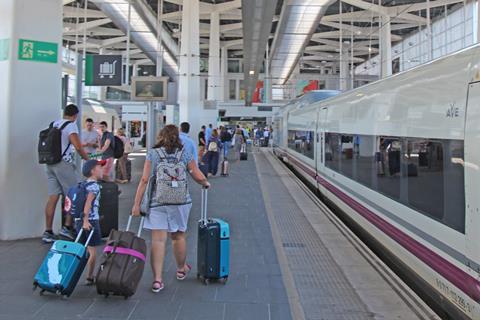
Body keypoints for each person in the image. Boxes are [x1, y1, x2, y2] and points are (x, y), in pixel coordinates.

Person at [131, 125, 210, 293]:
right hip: (180, 201)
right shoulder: (185, 153)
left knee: (158, 240)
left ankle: (158, 280)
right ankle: (181, 269)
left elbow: (144, 179)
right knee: (178, 236)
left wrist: (136, 204)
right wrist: (205, 183)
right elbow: (196, 174)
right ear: (178, 137)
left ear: (161, 136)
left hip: (157, 201)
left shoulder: (153, 153)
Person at [43, 104, 89, 243]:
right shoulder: (70, 125)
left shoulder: (54, 124)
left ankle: (48, 231)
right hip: (63, 163)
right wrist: (87, 159)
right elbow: (77, 145)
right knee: (73, 194)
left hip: (50, 163)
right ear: (75, 115)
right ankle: (67, 227)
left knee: (53, 197)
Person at [76, 159, 105, 285]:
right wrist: (86, 220)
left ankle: (72, 272)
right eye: (100, 167)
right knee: (92, 250)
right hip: (90, 221)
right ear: (93, 171)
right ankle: (89, 276)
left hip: (78, 220)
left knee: (81, 248)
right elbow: (88, 204)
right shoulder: (94, 186)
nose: (102, 169)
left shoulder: (82, 184)